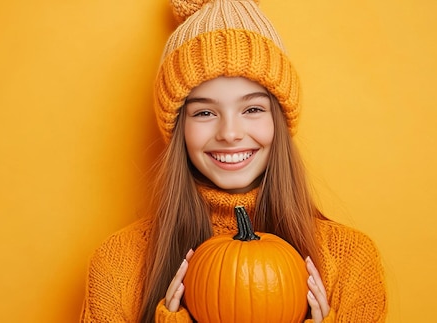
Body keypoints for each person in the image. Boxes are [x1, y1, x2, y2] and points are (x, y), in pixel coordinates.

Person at [80, 0, 388, 322]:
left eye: (252, 109)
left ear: (278, 121)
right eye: (204, 112)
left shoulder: (351, 261)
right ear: (179, 128)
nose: (230, 133)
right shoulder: (117, 265)